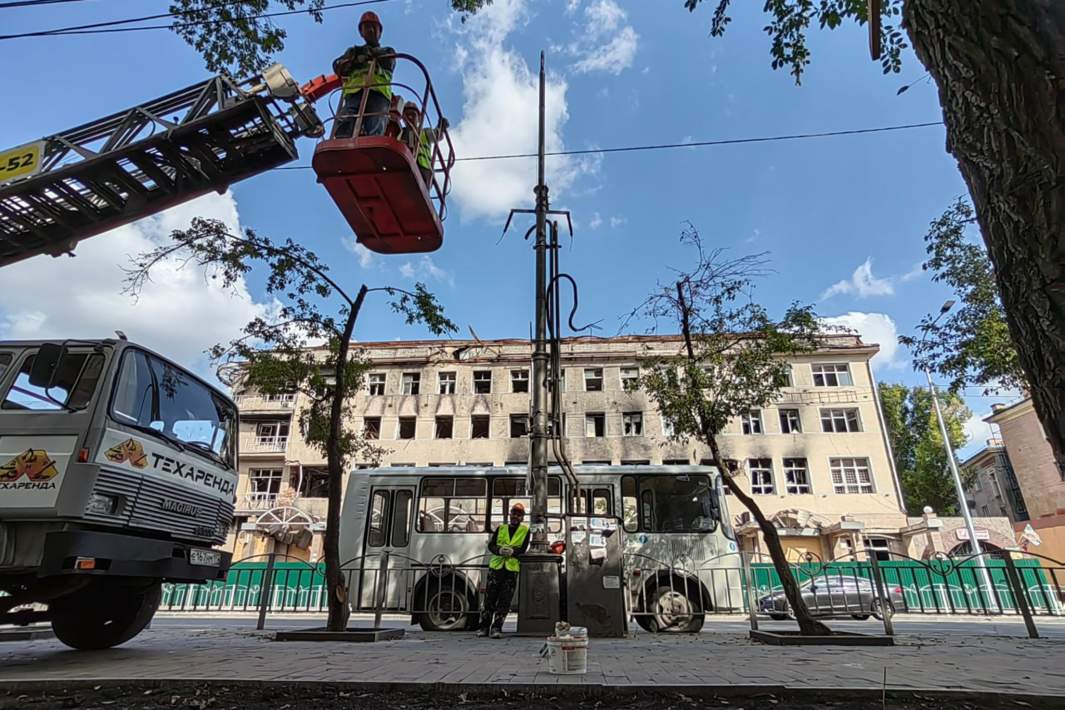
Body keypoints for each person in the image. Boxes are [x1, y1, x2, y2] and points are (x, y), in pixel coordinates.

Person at [332, 11, 395, 138]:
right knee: (345, 123)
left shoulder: (388, 51)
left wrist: (369, 54)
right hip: (354, 93)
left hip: (378, 94)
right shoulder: (353, 51)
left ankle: (372, 152)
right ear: (361, 32)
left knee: (375, 126)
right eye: (367, 27)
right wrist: (354, 60)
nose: (371, 30)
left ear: (380, 32)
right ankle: (342, 143)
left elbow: (389, 63)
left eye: (374, 27)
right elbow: (338, 66)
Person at [477, 502, 529, 639]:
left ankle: (496, 628)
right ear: (510, 514)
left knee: (505, 601)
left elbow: (523, 549)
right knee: (489, 599)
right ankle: (484, 628)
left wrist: (513, 552)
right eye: (514, 513)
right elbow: (491, 545)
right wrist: (499, 550)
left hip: (511, 569)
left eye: (519, 515)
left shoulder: (525, 531)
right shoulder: (501, 528)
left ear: (522, 518)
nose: (515, 516)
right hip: (496, 567)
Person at [399, 101, 449, 190]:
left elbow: (436, 135)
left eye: (413, 114)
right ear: (403, 117)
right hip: (406, 167)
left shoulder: (424, 132)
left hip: (423, 171)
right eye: (407, 115)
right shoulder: (400, 133)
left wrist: (440, 127)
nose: (409, 117)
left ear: (419, 118)